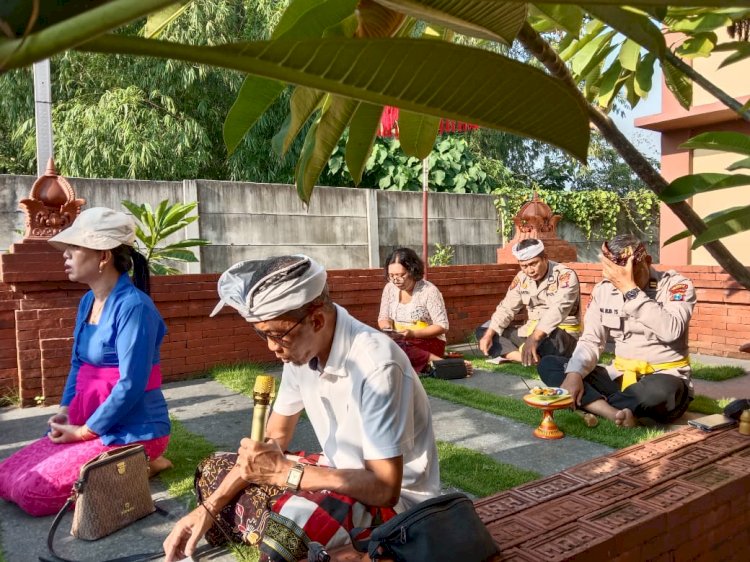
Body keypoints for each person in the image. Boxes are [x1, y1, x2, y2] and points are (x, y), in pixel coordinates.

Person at [163, 255, 440, 562]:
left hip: (397, 504)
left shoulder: (376, 365)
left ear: (316, 320)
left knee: (288, 531)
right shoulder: (301, 351)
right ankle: (300, 533)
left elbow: (385, 487)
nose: (271, 347)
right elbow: (275, 438)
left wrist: (287, 474)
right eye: (262, 334)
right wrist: (209, 507)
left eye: (276, 334)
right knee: (216, 470)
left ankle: (298, 533)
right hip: (338, 472)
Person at [0, 207, 171, 517]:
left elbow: (131, 384)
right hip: (87, 420)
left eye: (74, 247)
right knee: (6, 475)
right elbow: (79, 364)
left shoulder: (135, 307)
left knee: (32, 494)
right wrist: (66, 413)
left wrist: (84, 433)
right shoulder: (87, 301)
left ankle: (145, 459)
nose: (65, 255)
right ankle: (135, 465)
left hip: (135, 429)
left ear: (102, 256)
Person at [537, 234, 696, 427]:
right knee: (551, 364)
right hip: (619, 377)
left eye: (628, 274)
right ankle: (613, 413)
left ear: (647, 261)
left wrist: (630, 290)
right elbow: (591, 340)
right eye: (614, 276)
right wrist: (575, 375)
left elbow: (671, 330)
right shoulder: (604, 290)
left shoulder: (676, 286)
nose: (618, 282)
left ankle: (590, 403)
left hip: (663, 377)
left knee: (662, 391)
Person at [476, 238, 581, 366]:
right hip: (529, 332)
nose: (529, 270)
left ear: (545, 258)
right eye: (524, 266)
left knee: (553, 337)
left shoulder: (565, 276)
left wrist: (535, 338)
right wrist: (489, 334)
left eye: (533, 264)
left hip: (560, 333)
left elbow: (558, 310)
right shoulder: (521, 278)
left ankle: (526, 354)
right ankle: (522, 357)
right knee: (486, 329)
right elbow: (507, 308)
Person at [377, 247, 450, 374]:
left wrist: (412, 334)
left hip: (428, 342)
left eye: (401, 275)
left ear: (412, 271)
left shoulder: (428, 291)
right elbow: (383, 317)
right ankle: (429, 364)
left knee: (397, 349)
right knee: (379, 343)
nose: (396, 280)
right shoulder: (389, 288)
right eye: (391, 275)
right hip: (400, 340)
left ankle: (434, 360)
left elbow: (442, 326)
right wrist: (388, 330)